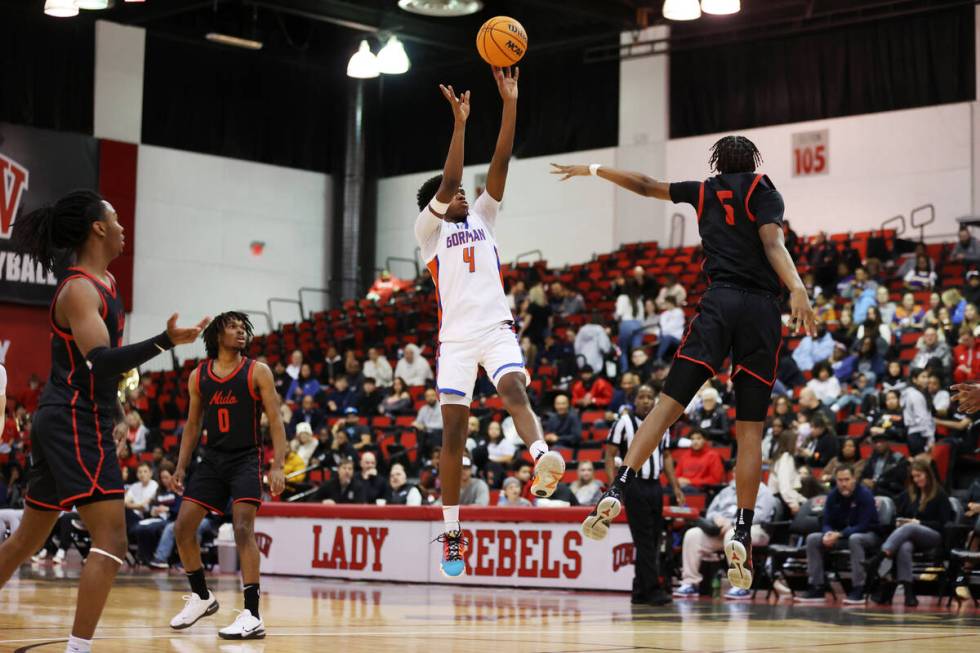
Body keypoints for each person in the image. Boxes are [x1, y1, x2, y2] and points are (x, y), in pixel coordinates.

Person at [560, 137, 817, 591]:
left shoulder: (702, 190)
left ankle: (619, 483)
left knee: (666, 404)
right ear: (754, 161)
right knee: (750, 429)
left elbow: (643, 184)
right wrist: (796, 287)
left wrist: (594, 168)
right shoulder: (764, 189)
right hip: (759, 310)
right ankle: (741, 526)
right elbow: (772, 242)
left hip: (719, 304)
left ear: (717, 163)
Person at [0, 190, 208, 653]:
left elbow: (96, 368)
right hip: (71, 416)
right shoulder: (79, 288)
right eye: (114, 218)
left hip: (77, 415)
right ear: (97, 228)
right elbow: (98, 361)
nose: (121, 227)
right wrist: (164, 341)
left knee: (27, 540)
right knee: (112, 538)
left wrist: (113, 413)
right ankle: (79, 649)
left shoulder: (107, 281)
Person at [414, 68, 565, 577]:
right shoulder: (428, 235)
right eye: (448, 193)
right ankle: (453, 533)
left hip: (495, 328)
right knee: (454, 436)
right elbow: (452, 178)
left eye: (459, 192)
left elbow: (500, 159)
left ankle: (543, 455)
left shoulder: (483, 216)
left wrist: (510, 102)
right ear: (434, 205)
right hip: (454, 342)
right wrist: (459, 124)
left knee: (516, 392)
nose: (460, 194)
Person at [169, 312, 286, 640]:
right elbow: (192, 426)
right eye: (233, 327)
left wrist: (278, 465)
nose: (240, 332)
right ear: (217, 335)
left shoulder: (257, 371)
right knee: (183, 527)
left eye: (242, 328)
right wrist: (181, 466)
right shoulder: (199, 376)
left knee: (242, 527)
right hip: (212, 460)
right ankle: (202, 596)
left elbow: (276, 421)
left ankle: (252, 613)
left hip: (247, 458)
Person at [603, 385, 684, 605]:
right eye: (642, 397)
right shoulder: (623, 423)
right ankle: (652, 590)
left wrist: (675, 486)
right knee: (645, 540)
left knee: (654, 538)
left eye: (650, 397)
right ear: (634, 400)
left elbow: (666, 456)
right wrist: (615, 487)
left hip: (655, 486)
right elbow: (609, 455)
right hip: (633, 485)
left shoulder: (662, 425)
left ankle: (639, 590)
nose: (646, 401)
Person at [866, 459, 952, 607]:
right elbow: (896, 515)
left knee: (910, 528)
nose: (917, 480)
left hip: (933, 536)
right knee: (905, 546)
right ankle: (909, 592)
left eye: (919, 476)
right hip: (910, 537)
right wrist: (899, 521)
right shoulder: (909, 494)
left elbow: (944, 524)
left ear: (928, 475)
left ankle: (878, 558)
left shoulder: (940, 494)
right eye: (914, 477)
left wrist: (918, 523)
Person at [673, 481, 776, 600]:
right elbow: (711, 511)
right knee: (693, 535)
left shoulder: (764, 492)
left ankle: (741, 586)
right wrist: (717, 518)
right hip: (722, 530)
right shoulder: (725, 491)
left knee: (734, 534)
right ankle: (690, 583)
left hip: (755, 530)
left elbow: (760, 515)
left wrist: (733, 522)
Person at [796, 464, 880, 603]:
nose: (843, 484)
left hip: (869, 535)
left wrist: (840, 534)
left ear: (854, 479)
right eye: (840, 480)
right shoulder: (833, 495)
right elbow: (826, 521)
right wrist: (828, 533)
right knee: (813, 538)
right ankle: (817, 587)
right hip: (842, 535)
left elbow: (864, 525)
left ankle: (858, 588)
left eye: (847, 479)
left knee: (855, 538)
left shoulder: (864, 495)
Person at [768, 429, 808, 515]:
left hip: (783, 498)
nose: (799, 445)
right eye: (797, 441)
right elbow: (784, 486)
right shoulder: (786, 459)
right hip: (782, 501)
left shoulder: (783, 457)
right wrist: (793, 503)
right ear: (791, 442)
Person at [860, 433, 909, 499]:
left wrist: (876, 484)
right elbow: (864, 474)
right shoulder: (871, 459)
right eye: (876, 443)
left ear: (887, 443)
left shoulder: (898, 458)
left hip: (889, 491)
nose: (879, 445)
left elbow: (898, 480)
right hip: (871, 489)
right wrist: (864, 480)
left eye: (881, 442)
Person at [615, 280, 646, 370]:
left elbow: (619, 314)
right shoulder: (638, 299)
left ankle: (625, 371)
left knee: (622, 350)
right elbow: (642, 317)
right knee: (637, 351)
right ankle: (639, 371)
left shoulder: (622, 297)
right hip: (638, 325)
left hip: (626, 324)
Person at [903, 368, 935, 455]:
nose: (926, 380)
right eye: (923, 377)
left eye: (927, 377)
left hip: (914, 434)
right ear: (914, 379)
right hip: (919, 435)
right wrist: (930, 439)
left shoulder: (910, 393)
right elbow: (923, 419)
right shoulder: (915, 395)